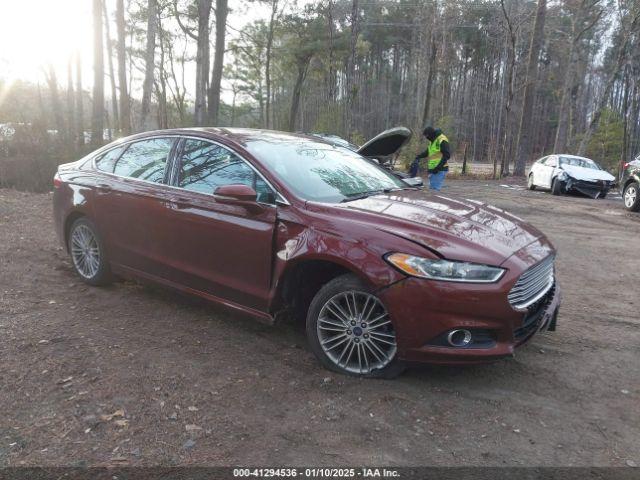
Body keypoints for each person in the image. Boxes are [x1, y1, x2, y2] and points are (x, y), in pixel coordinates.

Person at [408, 126, 450, 191]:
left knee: (434, 191)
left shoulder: (442, 139)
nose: (426, 137)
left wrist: (438, 168)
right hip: (433, 169)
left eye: (427, 136)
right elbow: (428, 152)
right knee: (432, 190)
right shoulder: (432, 140)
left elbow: (447, 155)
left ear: (431, 134)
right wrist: (419, 156)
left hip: (439, 169)